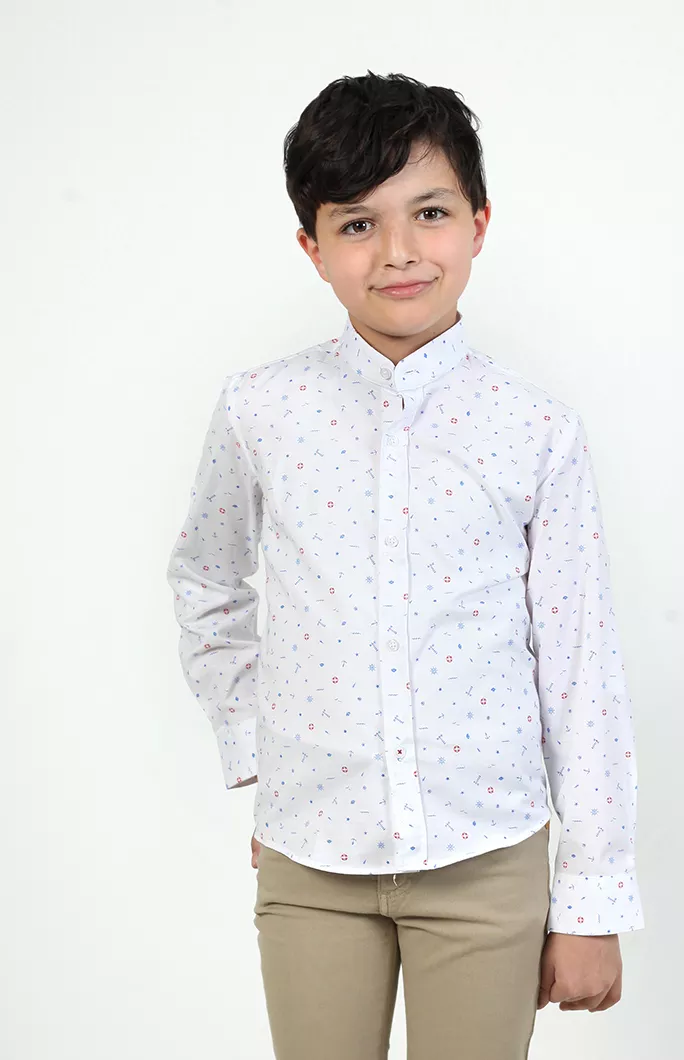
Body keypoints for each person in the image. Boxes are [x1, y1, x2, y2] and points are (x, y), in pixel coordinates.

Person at [166, 69, 644, 1060]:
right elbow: (207, 580)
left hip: (487, 862)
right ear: (312, 247)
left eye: (429, 212)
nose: (397, 252)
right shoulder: (261, 410)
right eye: (356, 224)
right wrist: (259, 754)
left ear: (478, 222)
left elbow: (580, 668)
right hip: (310, 862)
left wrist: (591, 898)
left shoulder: (536, 432)